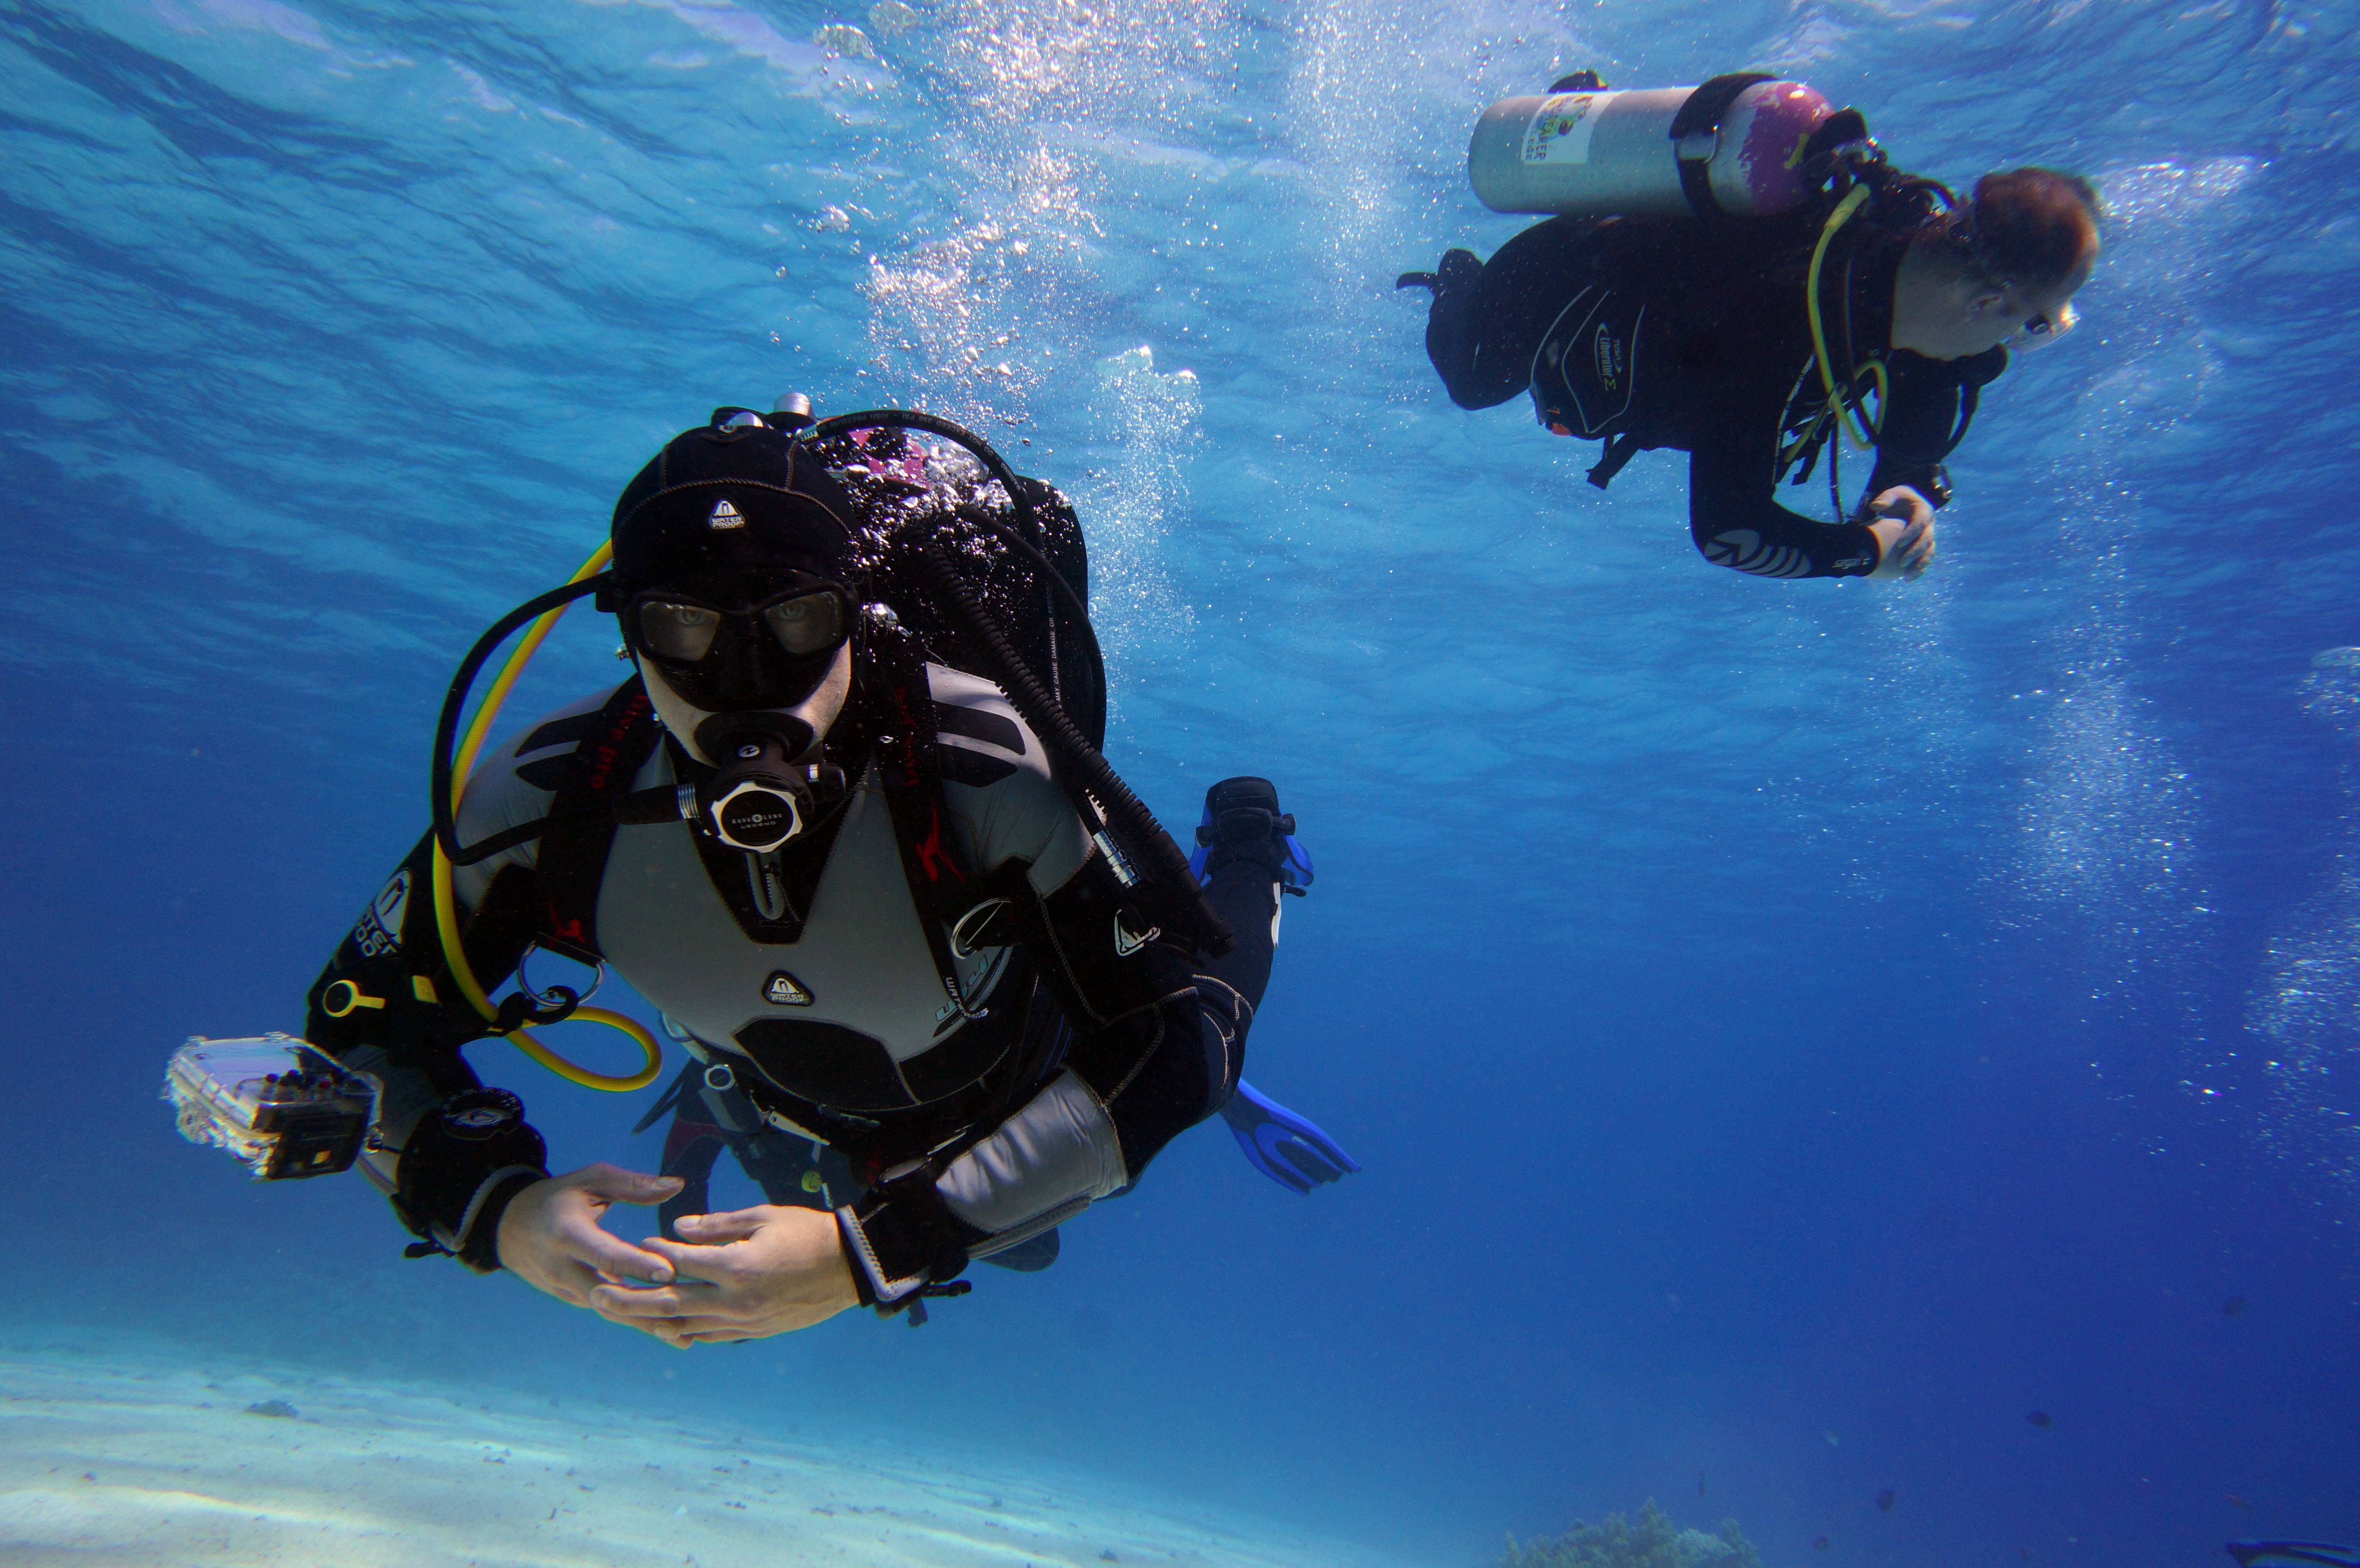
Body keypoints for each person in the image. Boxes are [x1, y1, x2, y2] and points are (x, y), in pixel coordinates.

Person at [300, 404, 1352, 1344]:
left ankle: (1250, 846)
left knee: (1105, 1143)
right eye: (683, 631)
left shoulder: (985, 775)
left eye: (796, 624)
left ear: (855, 610)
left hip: (1024, 1068)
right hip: (777, 1098)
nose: (744, 686)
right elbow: (355, 1029)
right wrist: (494, 1209)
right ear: (627, 634)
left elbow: (1183, 1039)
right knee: (800, 1169)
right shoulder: (549, 798)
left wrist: (873, 1253)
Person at [1403, 165, 2102, 581]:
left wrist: (1904, 486)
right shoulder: (1785, 315)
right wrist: (1866, 552)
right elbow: (1728, 530)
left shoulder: (1919, 274)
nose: (2006, 350)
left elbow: (1930, 399)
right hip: (1556, 278)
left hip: (1653, 352)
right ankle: (1458, 278)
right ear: (1986, 301)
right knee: (1473, 382)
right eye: (2033, 325)